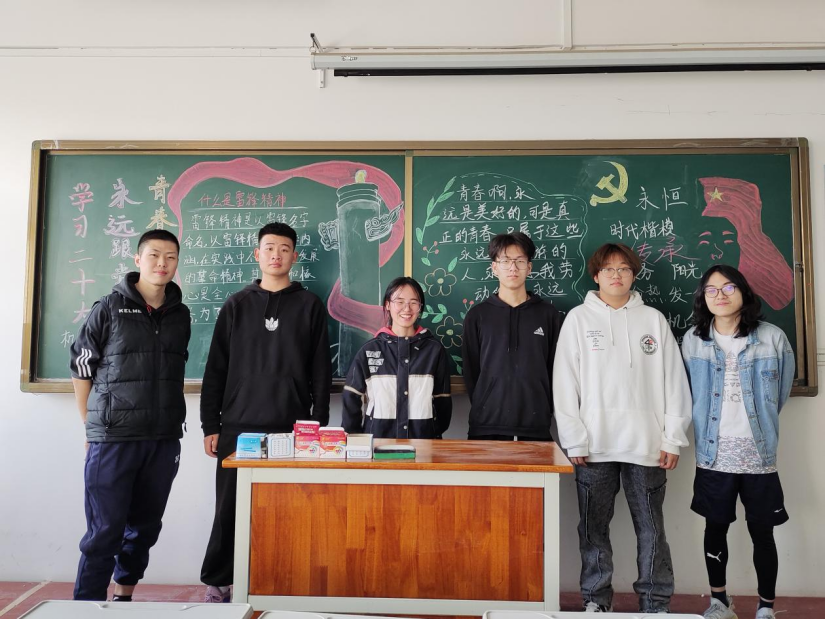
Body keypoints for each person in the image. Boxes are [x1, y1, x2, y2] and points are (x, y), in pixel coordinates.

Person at [553, 242, 691, 614]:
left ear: (634, 274)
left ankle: (655, 603)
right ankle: (596, 601)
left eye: (624, 268)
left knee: (651, 528)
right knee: (593, 529)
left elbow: (675, 383)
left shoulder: (653, 320)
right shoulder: (578, 319)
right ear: (596, 275)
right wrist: (574, 439)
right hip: (594, 446)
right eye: (608, 269)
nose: (616, 275)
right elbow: (565, 384)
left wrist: (673, 438)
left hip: (648, 445)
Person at [199, 222, 331, 603]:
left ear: (295, 256)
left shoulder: (309, 305)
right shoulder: (236, 305)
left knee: (286, 509)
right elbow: (215, 368)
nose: (276, 254)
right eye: (269, 248)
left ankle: (280, 579)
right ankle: (219, 582)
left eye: (284, 248)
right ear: (257, 255)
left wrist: (316, 424)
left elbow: (321, 369)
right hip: (237, 427)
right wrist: (210, 424)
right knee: (229, 508)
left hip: (291, 426)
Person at [69, 229, 190, 602]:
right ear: (138, 260)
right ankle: (85, 607)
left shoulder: (180, 314)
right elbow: (81, 367)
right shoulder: (108, 307)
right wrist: (89, 424)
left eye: (170, 257)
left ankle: (123, 598)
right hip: (113, 438)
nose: (162, 263)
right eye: (154, 255)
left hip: (163, 439)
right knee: (105, 532)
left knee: (144, 528)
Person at [681, 265, 795, 619]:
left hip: (758, 455)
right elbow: (687, 392)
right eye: (711, 290)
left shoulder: (772, 338)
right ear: (703, 297)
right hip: (713, 455)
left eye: (729, 287)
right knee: (715, 528)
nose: (720, 295)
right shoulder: (693, 340)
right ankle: (720, 602)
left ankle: (766, 607)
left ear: (744, 292)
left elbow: (780, 393)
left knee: (763, 532)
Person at [461, 232, 562, 441]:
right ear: (494, 267)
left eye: (520, 261)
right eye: (505, 261)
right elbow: (471, 371)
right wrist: (486, 401)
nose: (513, 268)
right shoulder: (477, 316)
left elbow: (556, 368)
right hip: (487, 425)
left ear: (529, 267)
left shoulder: (548, 315)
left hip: (536, 425)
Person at [342, 277, 451, 438]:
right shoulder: (370, 350)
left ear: (420, 307)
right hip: (378, 441)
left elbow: (443, 400)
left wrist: (432, 431)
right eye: (399, 302)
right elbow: (352, 395)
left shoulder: (434, 350)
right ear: (388, 304)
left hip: (424, 442)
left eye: (414, 302)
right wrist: (357, 440)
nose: (407, 308)